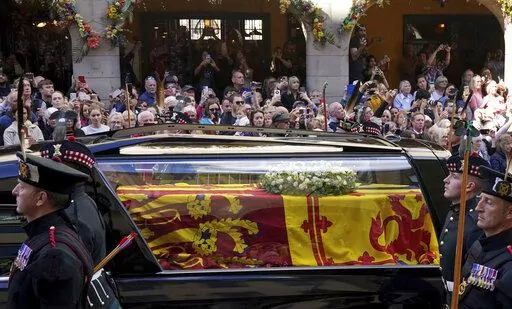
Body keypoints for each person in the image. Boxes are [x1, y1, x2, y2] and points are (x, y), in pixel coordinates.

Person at [8, 152, 93, 308]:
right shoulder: (45, 234)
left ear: (41, 198)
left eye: (22, 187)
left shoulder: (55, 257)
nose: (14, 191)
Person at [458, 165, 512, 308]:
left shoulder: (509, 263)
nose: (478, 208)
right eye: (480, 200)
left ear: (509, 213)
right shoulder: (479, 242)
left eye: (488, 202)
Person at [440, 155, 489, 303]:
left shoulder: (476, 223)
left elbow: (475, 274)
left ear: (469, 186)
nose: (445, 180)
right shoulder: (455, 210)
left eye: (454, 176)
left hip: (459, 297)